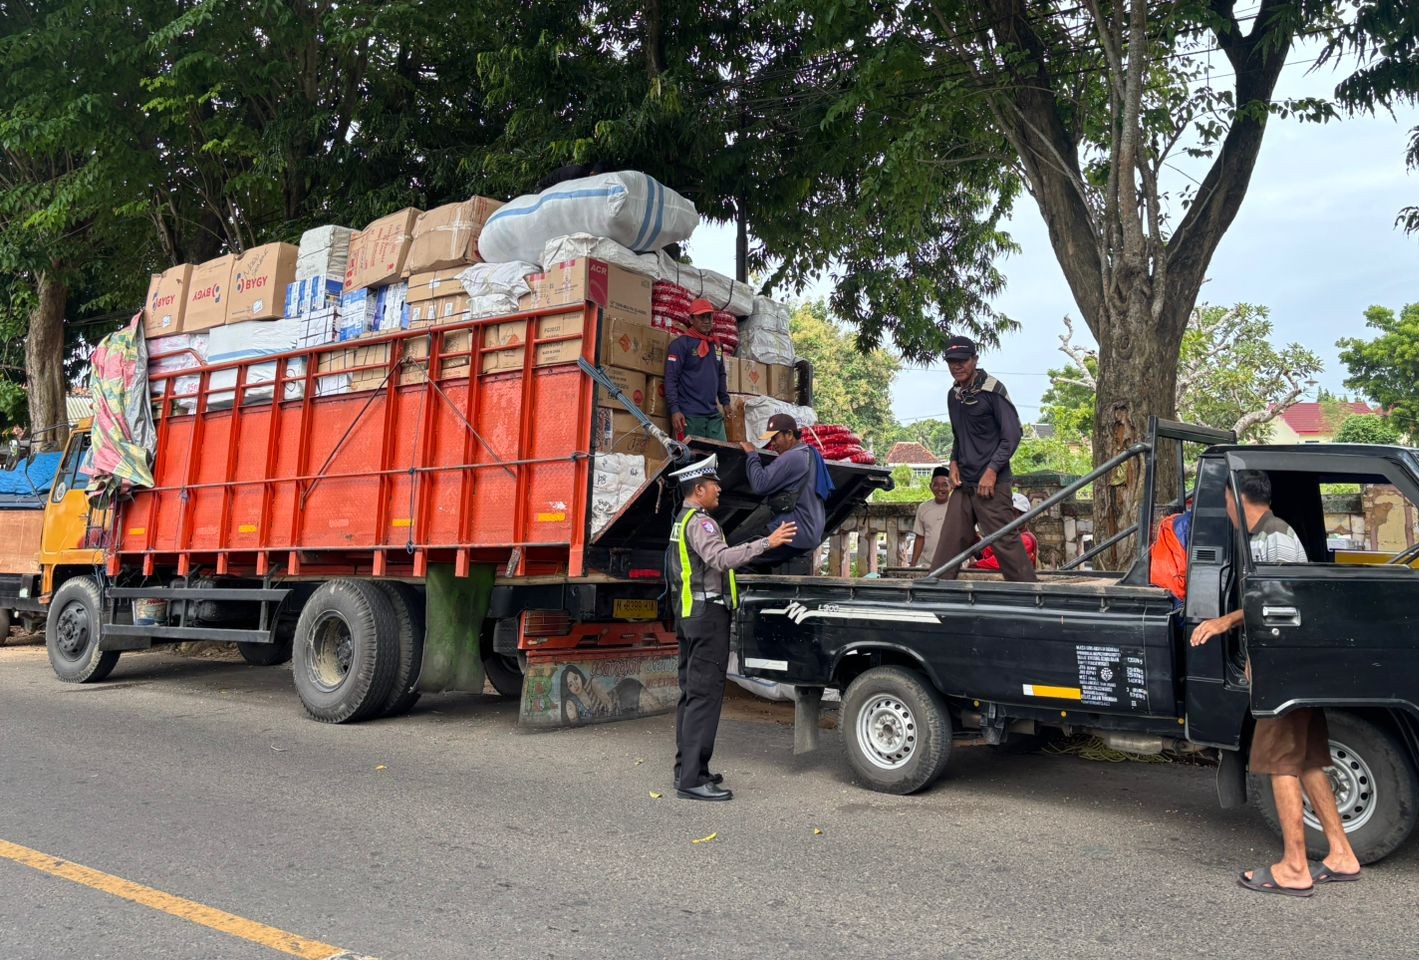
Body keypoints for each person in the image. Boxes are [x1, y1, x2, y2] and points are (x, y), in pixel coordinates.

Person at [1189, 470, 1360, 896]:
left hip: (1284, 669)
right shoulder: (1266, 534)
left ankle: (1294, 867)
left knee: (1280, 761)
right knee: (1305, 760)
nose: (1224, 507)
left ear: (1236, 496)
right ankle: (1341, 854)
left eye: (1225, 497)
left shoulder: (1274, 537)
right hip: (1295, 667)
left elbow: (1280, 602)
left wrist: (1227, 626)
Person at [667, 454, 796, 801]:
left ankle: (689, 769)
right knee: (704, 697)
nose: (720, 489)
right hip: (707, 617)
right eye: (714, 484)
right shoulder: (702, 522)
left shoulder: (682, 520)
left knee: (692, 695)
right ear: (699, 488)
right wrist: (768, 542)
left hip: (690, 615)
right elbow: (721, 559)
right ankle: (692, 779)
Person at [928, 336, 1038, 582]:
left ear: (975, 360)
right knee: (950, 538)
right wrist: (953, 463)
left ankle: (1029, 596)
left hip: (992, 483)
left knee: (1005, 541)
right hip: (964, 483)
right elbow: (959, 436)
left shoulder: (992, 390)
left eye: (962, 361)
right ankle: (933, 593)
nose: (957, 366)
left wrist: (992, 471)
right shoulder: (953, 395)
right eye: (951, 362)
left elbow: (1012, 435)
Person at [737, 413, 828, 568]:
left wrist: (752, 455)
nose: (772, 444)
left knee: (740, 558)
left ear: (790, 434)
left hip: (793, 533)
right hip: (810, 533)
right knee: (758, 563)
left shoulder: (793, 457)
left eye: (775, 438)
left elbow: (760, 485)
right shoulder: (811, 453)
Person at [664, 299, 729, 441]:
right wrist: (674, 410)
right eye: (702, 317)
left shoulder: (716, 346)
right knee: (694, 460)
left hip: (713, 414)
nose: (706, 321)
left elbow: (721, 374)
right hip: (690, 415)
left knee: (721, 456)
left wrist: (725, 402)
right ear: (691, 319)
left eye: (709, 317)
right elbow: (671, 378)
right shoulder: (680, 345)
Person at [973, 492, 1038, 571]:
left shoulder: (1026, 540)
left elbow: (1002, 562)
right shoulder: (1004, 536)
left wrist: (973, 566)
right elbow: (985, 552)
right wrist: (973, 537)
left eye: (1016, 514)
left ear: (1026, 517)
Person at [910, 467, 954, 567]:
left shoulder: (959, 506)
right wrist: (913, 564)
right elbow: (920, 538)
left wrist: (972, 560)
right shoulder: (923, 508)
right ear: (930, 486)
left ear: (951, 487)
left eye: (945, 485)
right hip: (928, 565)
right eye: (936, 485)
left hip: (954, 565)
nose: (940, 489)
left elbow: (969, 536)